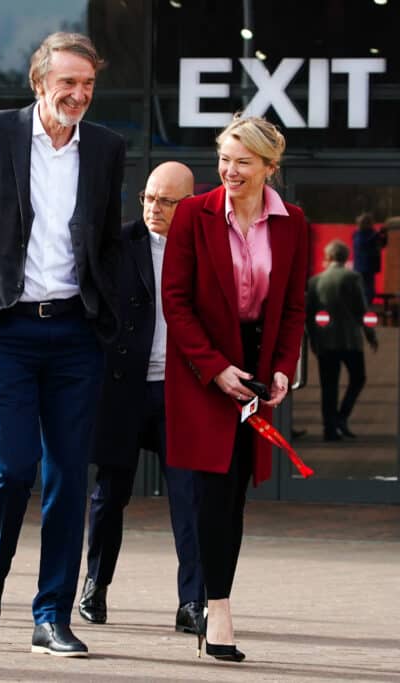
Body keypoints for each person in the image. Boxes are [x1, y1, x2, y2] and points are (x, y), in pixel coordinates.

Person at [0, 32, 125, 658]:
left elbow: (105, 242)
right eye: (68, 82)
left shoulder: (106, 147)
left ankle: (51, 615)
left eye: (88, 84)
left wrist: (102, 316)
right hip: (4, 329)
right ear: (39, 81)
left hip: (75, 332)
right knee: (13, 468)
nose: (79, 94)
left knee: (69, 477)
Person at [162, 115, 307, 662]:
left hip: (256, 366)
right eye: (224, 159)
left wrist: (283, 367)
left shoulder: (292, 221)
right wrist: (214, 368)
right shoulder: (193, 215)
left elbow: (293, 306)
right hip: (202, 368)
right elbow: (175, 302)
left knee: (235, 493)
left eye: (243, 162)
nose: (230, 170)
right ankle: (216, 609)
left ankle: (215, 598)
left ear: (270, 166)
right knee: (211, 491)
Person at [78, 162, 204, 636]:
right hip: (122, 387)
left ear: (189, 203)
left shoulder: (205, 247)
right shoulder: (119, 243)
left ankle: (192, 601)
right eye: (149, 198)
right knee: (109, 494)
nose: (155, 208)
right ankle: (95, 585)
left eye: (167, 201)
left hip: (180, 390)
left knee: (189, 499)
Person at [306, 240, 377, 441]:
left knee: (329, 386)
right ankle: (341, 417)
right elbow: (362, 309)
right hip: (349, 340)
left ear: (327, 257)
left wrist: (313, 340)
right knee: (358, 378)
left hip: (325, 341)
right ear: (346, 257)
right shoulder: (353, 277)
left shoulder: (315, 281)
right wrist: (370, 335)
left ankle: (329, 428)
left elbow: (309, 315)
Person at [351, 213, 387, 301]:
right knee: (367, 288)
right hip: (365, 266)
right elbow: (368, 242)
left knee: (366, 287)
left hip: (363, 266)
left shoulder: (359, 234)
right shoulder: (362, 235)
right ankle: (366, 304)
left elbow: (381, 244)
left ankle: (365, 302)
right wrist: (380, 234)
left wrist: (383, 234)